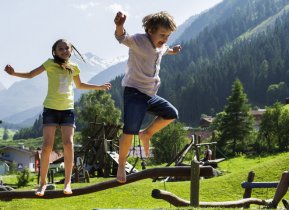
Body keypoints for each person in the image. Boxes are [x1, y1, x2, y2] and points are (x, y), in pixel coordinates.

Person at [4, 39, 111, 196]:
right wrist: (14, 73)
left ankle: (67, 183)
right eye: (60, 48)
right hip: (51, 109)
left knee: (69, 144)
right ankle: (43, 183)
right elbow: (30, 74)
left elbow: (80, 85)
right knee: (47, 146)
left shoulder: (74, 67)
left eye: (66, 48)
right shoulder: (49, 63)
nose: (64, 50)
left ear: (70, 50)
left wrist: (99, 87)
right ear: (54, 52)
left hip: (67, 110)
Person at [114, 11, 181, 183]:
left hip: (150, 95)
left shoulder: (161, 46)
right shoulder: (139, 41)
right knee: (129, 131)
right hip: (134, 92)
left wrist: (173, 51)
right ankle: (121, 164)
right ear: (150, 30)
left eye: (168, 36)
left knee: (171, 113)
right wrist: (119, 25)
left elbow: (165, 50)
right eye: (162, 35)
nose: (165, 39)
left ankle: (147, 134)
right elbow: (122, 37)